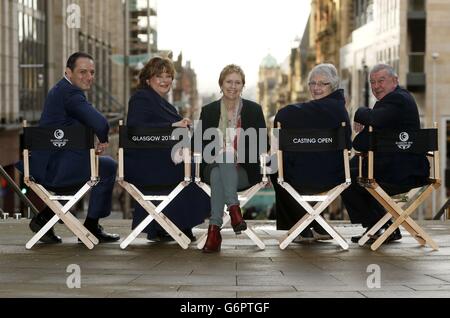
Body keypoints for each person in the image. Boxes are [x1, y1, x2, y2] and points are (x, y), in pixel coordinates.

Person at [20, 52, 120, 243]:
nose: (89, 77)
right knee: (107, 167)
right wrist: (104, 140)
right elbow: (100, 122)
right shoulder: (70, 94)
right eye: (83, 72)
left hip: (48, 165)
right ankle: (91, 226)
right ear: (68, 71)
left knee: (91, 167)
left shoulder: (59, 90)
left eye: (92, 72)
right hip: (57, 169)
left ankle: (45, 219)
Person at [341, 63, 430, 243]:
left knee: (345, 177)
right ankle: (381, 227)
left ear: (394, 81)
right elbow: (360, 142)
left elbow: (369, 126)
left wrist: (359, 112)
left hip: (401, 173)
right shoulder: (390, 103)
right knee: (348, 170)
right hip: (395, 168)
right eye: (372, 82)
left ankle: (379, 226)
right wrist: (368, 119)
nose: (376, 86)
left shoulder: (397, 100)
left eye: (381, 81)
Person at [125, 57, 210, 242]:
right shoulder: (141, 98)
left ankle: (170, 225)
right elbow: (136, 131)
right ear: (148, 79)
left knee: (198, 164)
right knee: (198, 169)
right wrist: (173, 126)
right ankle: (178, 225)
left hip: (160, 160)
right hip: (146, 164)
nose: (165, 80)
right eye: (159, 76)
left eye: (168, 76)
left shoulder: (159, 101)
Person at [271, 63, 352, 243]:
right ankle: (313, 224)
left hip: (318, 177)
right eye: (312, 83)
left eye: (322, 84)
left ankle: (301, 225)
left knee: (275, 167)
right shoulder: (338, 109)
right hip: (334, 175)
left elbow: (283, 115)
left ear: (333, 86)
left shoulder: (326, 108)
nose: (316, 88)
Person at [197, 64, 267, 253]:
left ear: (243, 86)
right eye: (229, 81)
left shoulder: (254, 110)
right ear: (221, 84)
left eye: (238, 82)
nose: (233, 86)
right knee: (222, 161)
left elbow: (262, 143)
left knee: (220, 173)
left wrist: (237, 152)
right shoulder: (208, 110)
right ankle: (235, 211)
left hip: (243, 170)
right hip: (211, 165)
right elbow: (198, 143)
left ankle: (214, 232)